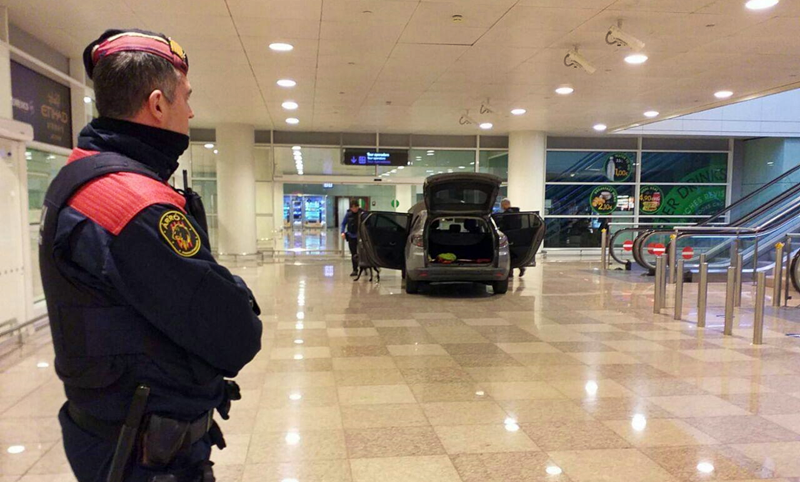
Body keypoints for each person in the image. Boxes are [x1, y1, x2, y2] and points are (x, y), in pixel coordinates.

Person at [38, 29, 263, 482]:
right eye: (186, 97)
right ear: (158, 104)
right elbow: (236, 331)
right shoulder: (131, 205)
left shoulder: (82, 175)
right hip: (143, 455)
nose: (192, 110)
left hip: (115, 433)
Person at [499, 198, 526, 278]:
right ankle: (520, 267)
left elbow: (505, 226)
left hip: (509, 236)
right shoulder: (517, 213)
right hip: (517, 236)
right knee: (514, 253)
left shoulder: (507, 215)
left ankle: (510, 272)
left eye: (502, 205)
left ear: (504, 205)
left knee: (509, 254)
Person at [341, 200, 364, 276]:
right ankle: (355, 269)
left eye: (355, 207)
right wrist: (342, 232)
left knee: (362, 252)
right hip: (351, 236)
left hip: (361, 236)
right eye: (352, 207)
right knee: (353, 253)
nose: (354, 209)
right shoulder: (348, 214)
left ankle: (364, 267)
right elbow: (343, 223)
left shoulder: (362, 213)